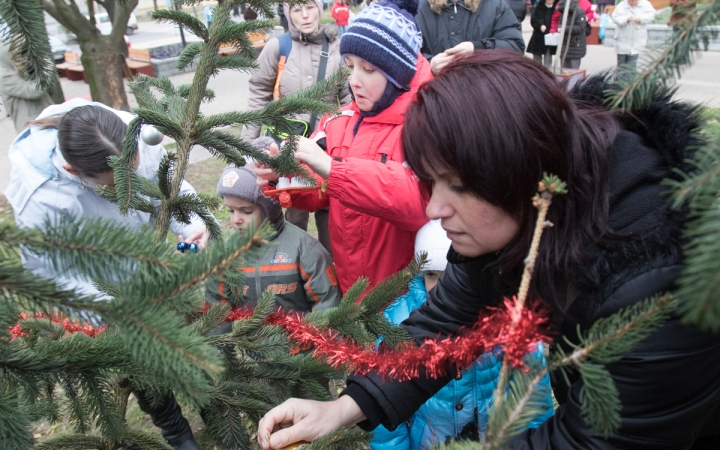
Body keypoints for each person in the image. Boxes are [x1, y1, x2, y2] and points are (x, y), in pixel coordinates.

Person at [256, 51, 720, 449]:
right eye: (429, 180)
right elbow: (445, 321)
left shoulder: (662, 290)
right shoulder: (525, 212)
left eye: (457, 186)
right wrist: (347, 407)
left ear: (522, 173)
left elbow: (593, 440)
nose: (434, 208)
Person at [4, 99, 211, 450]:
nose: (131, 183)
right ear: (74, 173)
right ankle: (176, 431)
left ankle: (212, 407)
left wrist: (195, 224)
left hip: (146, 267)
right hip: (100, 289)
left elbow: (172, 188)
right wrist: (114, 308)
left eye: (133, 169)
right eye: (116, 180)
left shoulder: (122, 133)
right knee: (142, 361)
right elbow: (51, 277)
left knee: (188, 343)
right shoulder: (41, 197)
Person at [255, 0, 432, 295]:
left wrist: (334, 170)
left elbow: (416, 203)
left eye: (369, 69)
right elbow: (317, 190)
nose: (353, 81)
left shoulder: (423, 124)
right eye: (350, 67)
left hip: (403, 296)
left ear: (398, 75)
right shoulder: (337, 122)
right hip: (349, 285)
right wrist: (282, 175)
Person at [370, 220, 554, 449]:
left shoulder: (512, 320)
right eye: (433, 275)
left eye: (452, 278)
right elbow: (385, 406)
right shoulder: (399, 321)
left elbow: (532, 398)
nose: (441, 288)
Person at [242, 0, 350, 246]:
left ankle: (331, 272)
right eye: (297, 9)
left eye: (310, 7)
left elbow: (347, 99)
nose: (305, 15)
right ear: (288, 13)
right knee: (294, 213)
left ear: (319, 9)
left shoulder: (337, 47)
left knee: (331, 214)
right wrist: (247, 147)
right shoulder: (278, 47)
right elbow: (258, 93)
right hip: (288, 149)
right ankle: (293, 272)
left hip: (327, 146)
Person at [206, 164, 342, 320]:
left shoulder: (305, 250)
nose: (236, 219)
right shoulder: (225, 252)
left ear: (268, 210)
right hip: (248, 344)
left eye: (247, 211)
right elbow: (217, 310)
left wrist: (314, 342)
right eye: (231, 210)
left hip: (299, 343)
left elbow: (327, 304)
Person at [415, 0, 525, 74]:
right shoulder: (418, 10)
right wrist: (429, 63)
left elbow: (515, 47)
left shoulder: (495, 5)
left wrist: (477, 49)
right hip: (437, 100)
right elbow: (404, 56)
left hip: (488, 98)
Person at [0, 43, 54, 133]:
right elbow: (34, 91)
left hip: (43, 120)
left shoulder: (17, 70)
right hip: (31, 126)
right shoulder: (4, 77)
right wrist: (46, 68)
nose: (23, 59)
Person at [612, 0, 656, 76]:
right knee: (621, 65)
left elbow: (651, 15)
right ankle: (618, 84)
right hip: (622, 40)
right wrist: (626, 19)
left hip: (636, 41)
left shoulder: (645, 4)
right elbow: (615, 18)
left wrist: (641, 19)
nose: (633, 2)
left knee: (631, 65)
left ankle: (629, 84)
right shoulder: (621, 5)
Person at [555, 0, 588, 69]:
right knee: (564, 69)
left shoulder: (579, 12)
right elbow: (560, 24)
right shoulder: (564, 13)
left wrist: (564, 29)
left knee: (574, 70)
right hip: (564, 44)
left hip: (575, 45)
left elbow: (580, 27)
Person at [527, 0, 559, 67]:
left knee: (548, 57)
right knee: (537, 58)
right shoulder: (539, 7)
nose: (550, 1)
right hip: (538, 36)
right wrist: (540, 25)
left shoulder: (556, 8)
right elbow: (533, 19)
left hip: (550, 37)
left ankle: (547, 73)